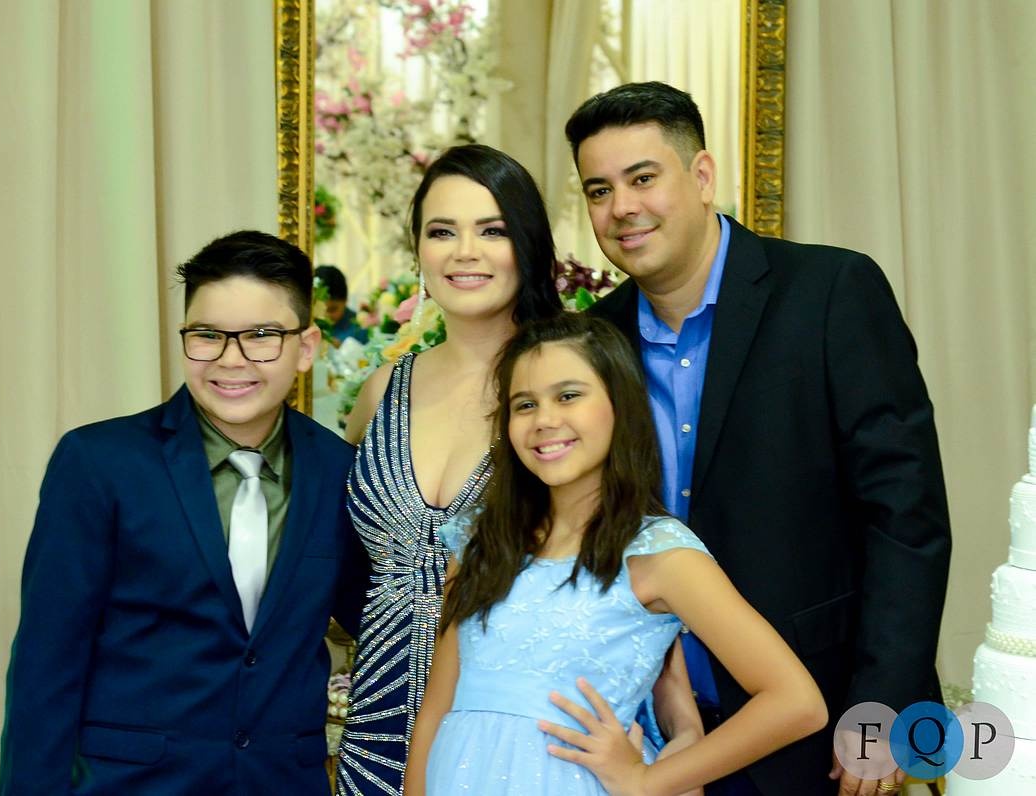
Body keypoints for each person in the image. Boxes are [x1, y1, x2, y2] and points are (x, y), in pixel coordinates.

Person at [567, 81, 952, 795]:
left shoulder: (830, 291)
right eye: (599, 190)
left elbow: (906, 515)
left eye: (643, 178)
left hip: (821, 726)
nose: (622, 207)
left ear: (702, 175)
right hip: (653, 735)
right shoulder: (595, 340)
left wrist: (883, 704)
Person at [0, 231, 368, 794]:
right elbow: (46, 666)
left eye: (262, 336)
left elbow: (382, 622)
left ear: (307, 346)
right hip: (131, 783)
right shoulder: (99, 463)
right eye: (207, 336)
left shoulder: (342, 471)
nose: (230, 360)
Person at [404, 312, 828, 795]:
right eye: (525, 404)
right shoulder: (481, 539)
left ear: (619, 405)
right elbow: (435, 707)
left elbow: (797, 702)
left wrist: (648, 781)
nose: (545, 420)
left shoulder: (660, 554)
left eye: (568, 396)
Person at [333, 144, 565, 795]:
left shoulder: (568, 392)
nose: (465, 252)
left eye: (491, 231)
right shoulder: (383, 391)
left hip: (511, 741)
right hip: (374, 736)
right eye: (442, 231)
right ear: (418, 250)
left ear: (527, 245)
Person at [316, 263, 369, 346]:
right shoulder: (307, 325)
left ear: (346, 301)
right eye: (319, 309)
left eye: (332, 309)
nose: (326, 315)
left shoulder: (359, 328)